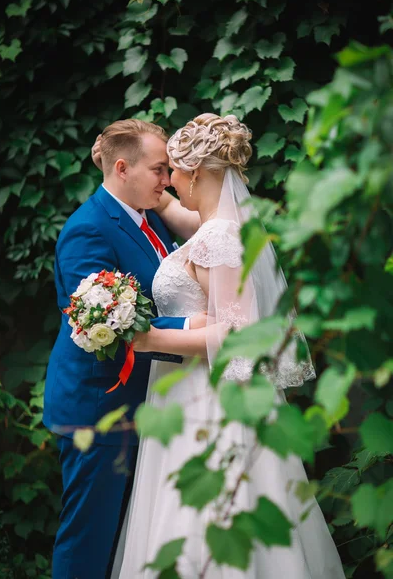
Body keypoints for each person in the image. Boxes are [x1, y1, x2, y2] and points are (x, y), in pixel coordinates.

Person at [111, 113, 346, 578]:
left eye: (172, 170)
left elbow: (235, 334)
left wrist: (149, 336)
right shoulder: (217, 225)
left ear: (195, 173)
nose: (167, 179)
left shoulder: (221, 237)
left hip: (206, 397)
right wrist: (143, 194)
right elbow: (183, 220)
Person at [43, 119, 207, 579]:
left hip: (146, 400)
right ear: (122, 169)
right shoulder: (89, 230)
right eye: (160, 169)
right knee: (90, 536)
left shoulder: (148, 212)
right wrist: (195, 326)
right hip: (98, 406)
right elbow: (100, 324)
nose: (168, 179)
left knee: (132, 538)